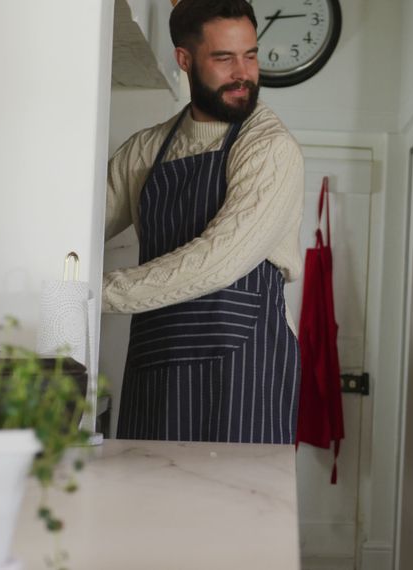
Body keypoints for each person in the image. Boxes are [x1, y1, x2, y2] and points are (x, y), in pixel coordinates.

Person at [103, 0, 304, 444]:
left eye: (250, 55)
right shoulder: (146, 151)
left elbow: (219, 261)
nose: (243, 73)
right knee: (147, 504)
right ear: (184, 59)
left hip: (244, 375)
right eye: (224, 58)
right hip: (155, 367)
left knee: (234, 510)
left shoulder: (269, 148)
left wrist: (93, 295)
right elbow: (77, 220)